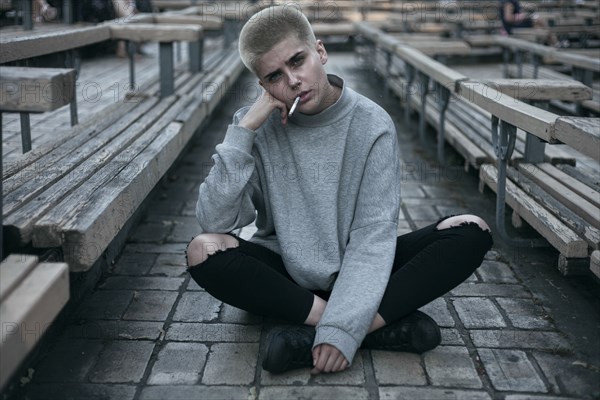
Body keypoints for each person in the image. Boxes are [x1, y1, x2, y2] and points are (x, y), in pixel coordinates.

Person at [186, 5, 493, 375]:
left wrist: (341, 331)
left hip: (361, 265)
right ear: (264, 87)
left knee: (471, 230)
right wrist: (244, 131)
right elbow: (214, 219)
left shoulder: (372, 124)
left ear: (320, 51)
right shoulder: (256, 129)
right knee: (201, 249)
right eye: (275, 76)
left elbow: (372, 236)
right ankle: (371, 328)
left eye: (298, 61)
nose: (294, 80)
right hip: (287, 272)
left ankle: (316, 335)